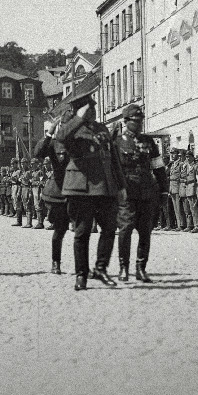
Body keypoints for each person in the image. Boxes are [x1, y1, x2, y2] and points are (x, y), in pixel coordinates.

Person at [55, 88, 127, 291]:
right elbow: (61, 138)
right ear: (80, 110)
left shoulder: (102, 129)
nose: (93, 111)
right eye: (89, 108)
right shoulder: (71, 128)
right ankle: (81, 274)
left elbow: (113, 159)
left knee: (109, 229)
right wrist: (77, 119)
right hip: (81, 187)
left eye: (94, 107)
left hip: (104, 186)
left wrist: (121, 186)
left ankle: (101, 269)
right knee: (82, 232)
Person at [114, 104, 169, 282]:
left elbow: (158, 168)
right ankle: (124, 267)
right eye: (135, 121)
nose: (139, 124)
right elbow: (112, 169)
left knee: (145, 231)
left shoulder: (149, 142)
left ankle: (141, 268)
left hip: (147, 192)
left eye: (141, 121)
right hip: (126, 193)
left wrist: (164, 191)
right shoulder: (118, 142)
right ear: (126, 121)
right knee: (125, 229)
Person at [35, 119, 71, 274]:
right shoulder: (54, 144)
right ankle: (56, 262)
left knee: (83, 230)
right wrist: (49, 133)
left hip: (80, 190)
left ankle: (83, 267)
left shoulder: (81, 142)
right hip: (60, 191)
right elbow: (38, 154)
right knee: (60, 230)